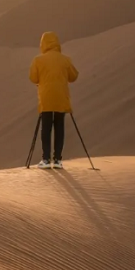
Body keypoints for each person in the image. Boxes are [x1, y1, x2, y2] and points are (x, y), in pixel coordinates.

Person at [29, 31, 79, 169]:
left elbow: (33, 78)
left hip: (46, 98)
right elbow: (74, 76)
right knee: (59, 127)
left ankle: (45, 159)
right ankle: (57, 160)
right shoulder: (65, 59)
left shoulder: (38, 60)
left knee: (46, 128)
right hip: (61, 98)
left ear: (43, 44)